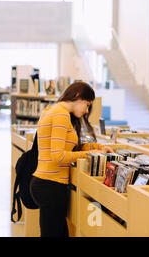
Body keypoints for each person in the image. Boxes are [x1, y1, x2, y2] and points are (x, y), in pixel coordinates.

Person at [29, 81, 113, 237]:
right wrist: (88, 155)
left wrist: (96, 147)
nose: (87, 110)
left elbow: (69, 148)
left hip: (46, 183)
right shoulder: (60, 114)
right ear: (77, 96)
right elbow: (58, 155)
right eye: (87, 105)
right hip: (51, 185)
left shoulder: (53, 110)